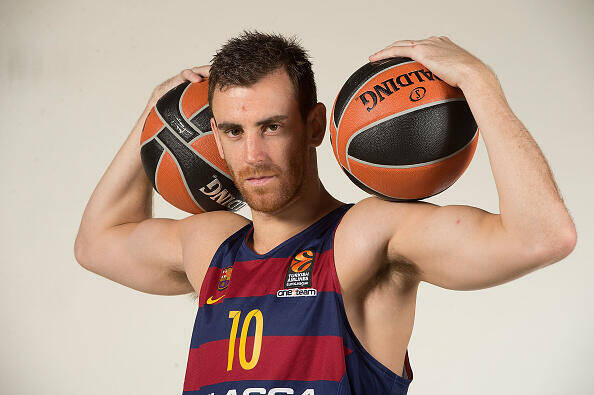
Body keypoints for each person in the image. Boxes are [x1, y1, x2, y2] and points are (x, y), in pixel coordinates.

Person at [74, 30, 577, 395]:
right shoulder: (211, 248)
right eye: (233, 131)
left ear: (315, 125)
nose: (252, 156)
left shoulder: (364, 235)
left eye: (272, 127)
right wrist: (154, 114)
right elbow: (96, 243)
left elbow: (542, 236)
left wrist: (479, 82)